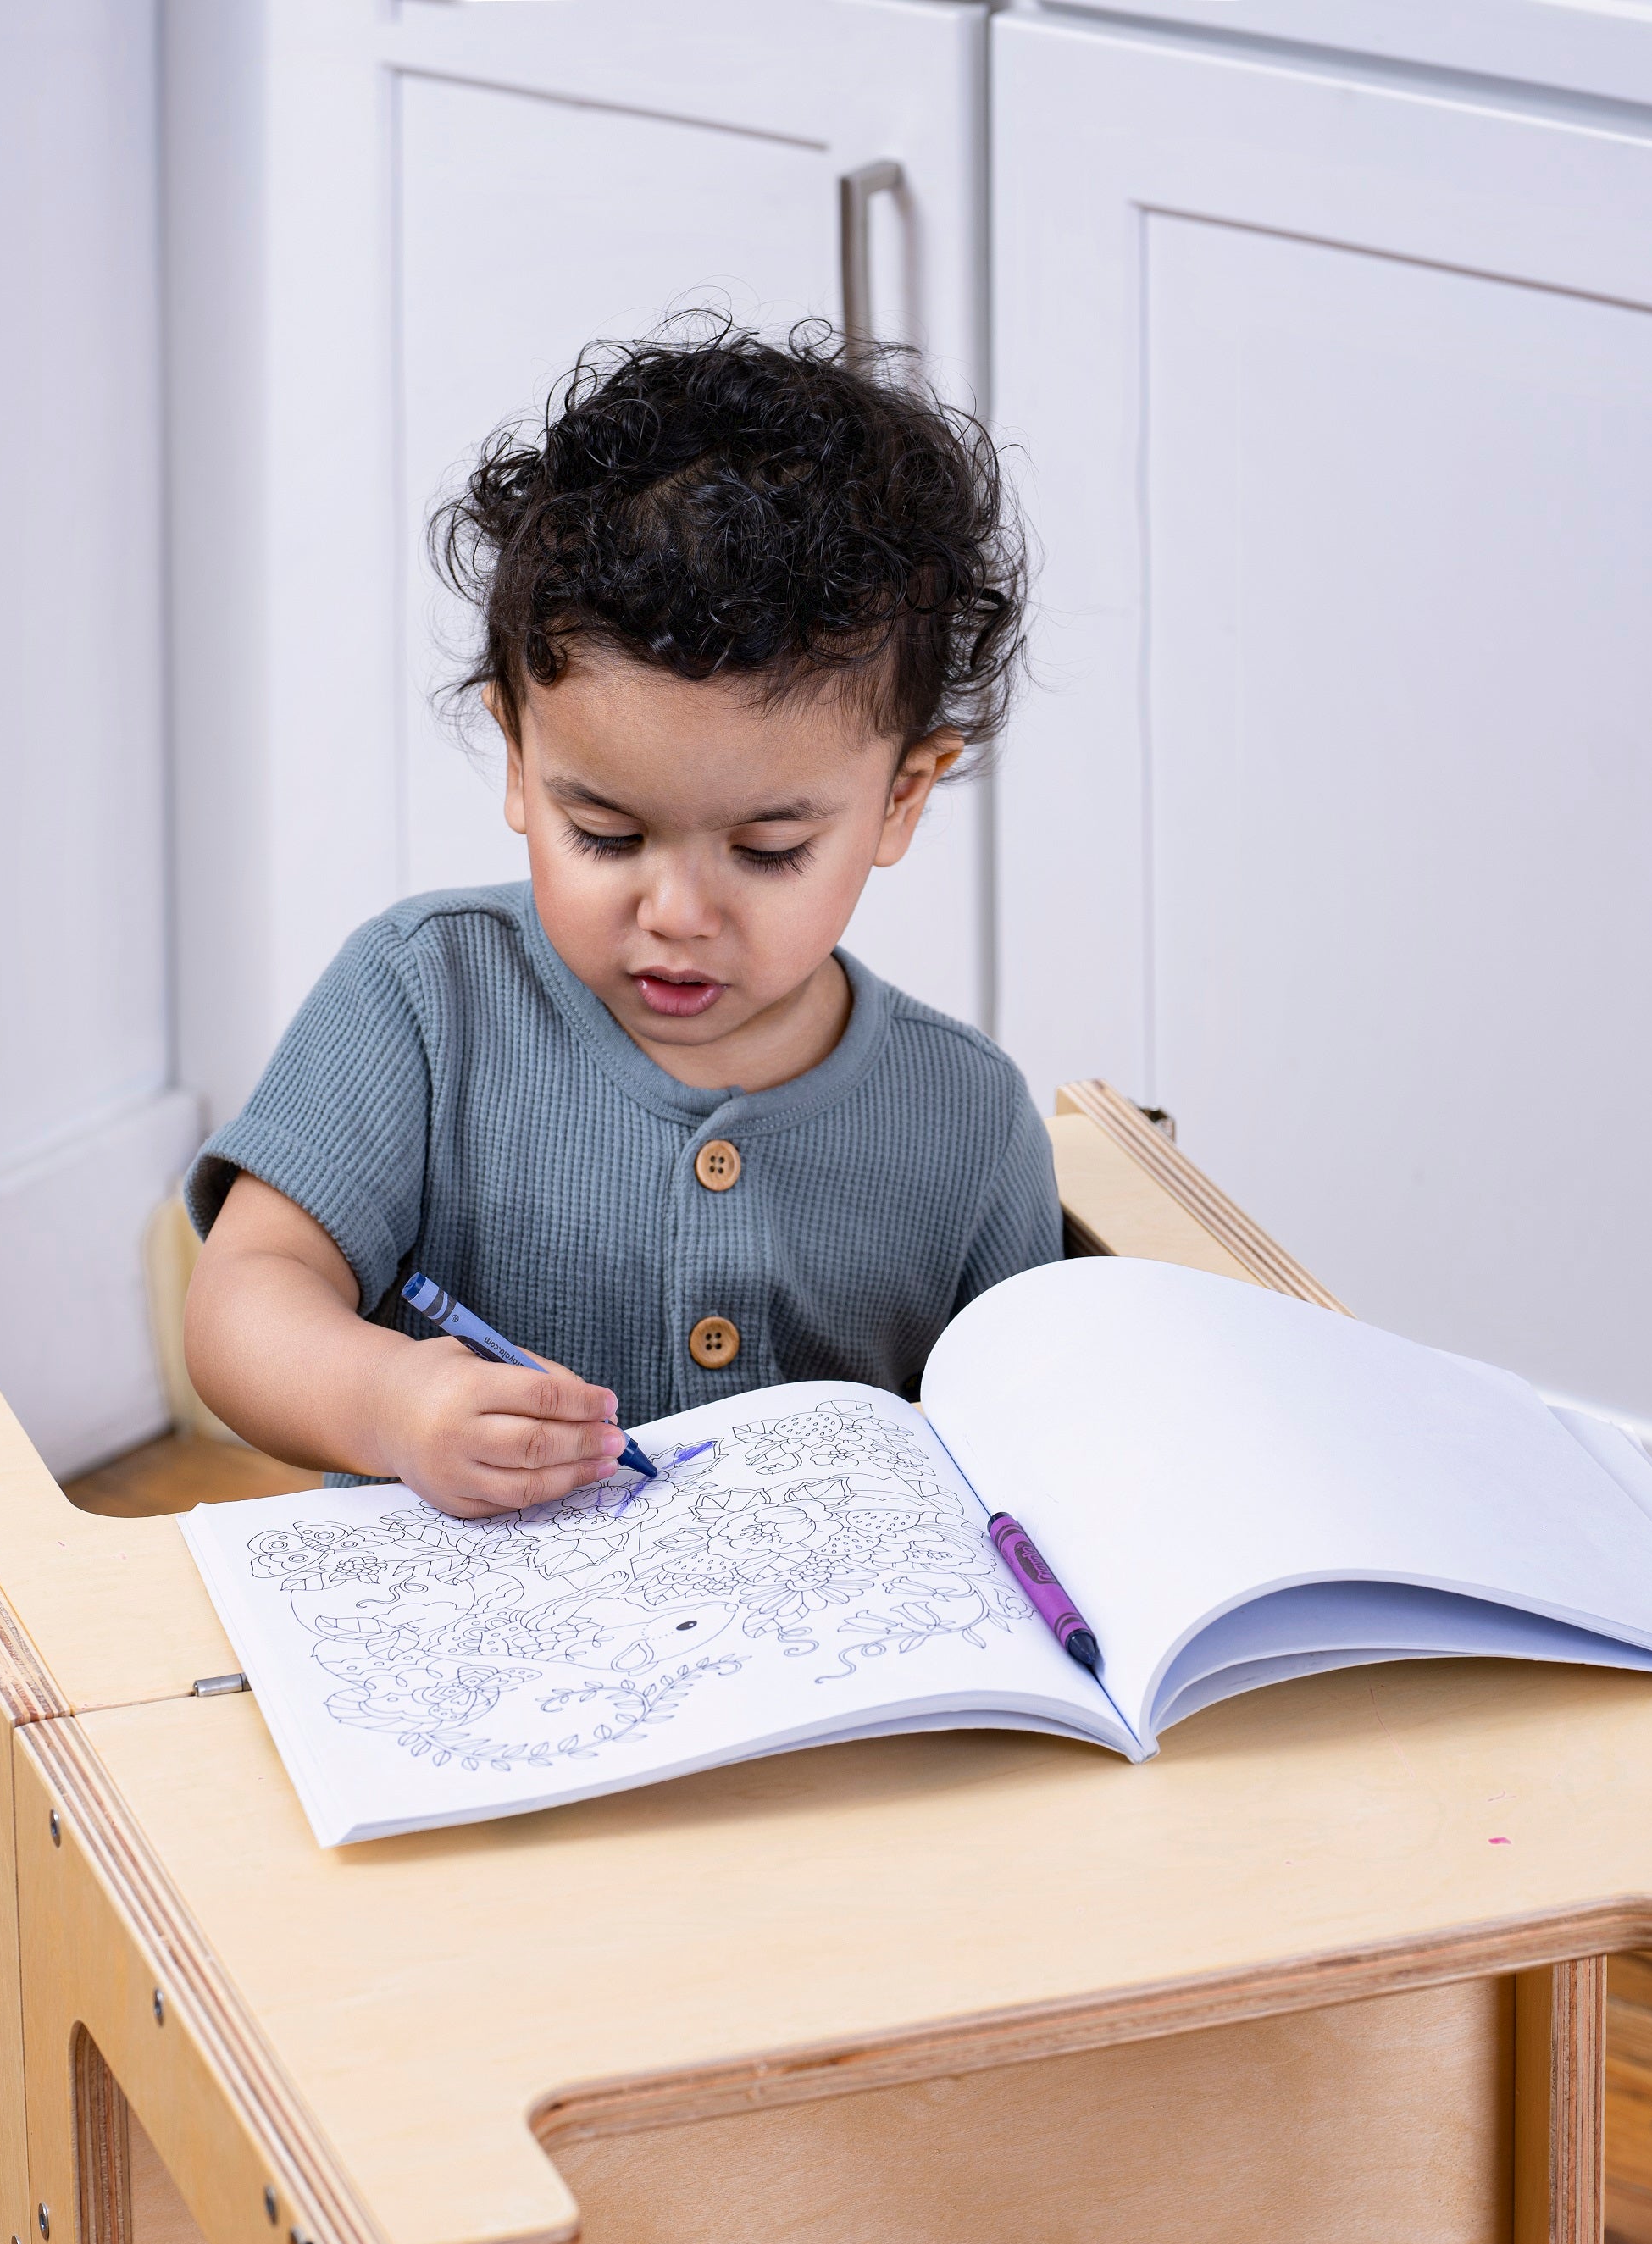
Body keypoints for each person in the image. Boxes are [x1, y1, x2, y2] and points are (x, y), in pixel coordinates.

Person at [183, 320, 1061, 1518]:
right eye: (604, 834)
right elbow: (245, 1300)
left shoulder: (967, 1124)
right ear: (516, 754)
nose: (677, 914)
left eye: (767, 851)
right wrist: (394, 1401)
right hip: (462, 1664)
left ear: (901, 797)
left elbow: (1032, 1435)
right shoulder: (424, 1001)